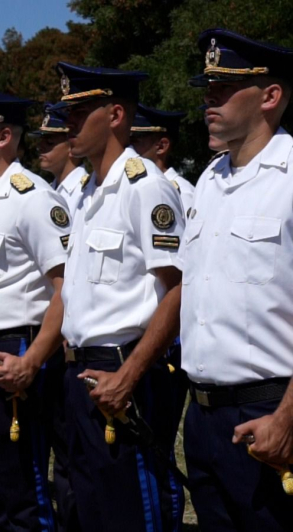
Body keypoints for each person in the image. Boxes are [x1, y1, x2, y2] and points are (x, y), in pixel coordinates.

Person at [56, 61, 185, 532]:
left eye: (79, 110)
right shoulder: (87, 191)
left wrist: (129, 376)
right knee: (92, 510)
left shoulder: (144, 185)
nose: (67, 121)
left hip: (124, 373)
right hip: (82, 373)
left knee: (131, 512)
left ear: (114, 115)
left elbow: (178, 288)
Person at [179, 28, 293, 531]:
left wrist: (287, 419)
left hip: (269, 411)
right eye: (208, 89)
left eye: (224, 89)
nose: (210, 100)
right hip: (203, 417)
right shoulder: (209, 179)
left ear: (270, 96)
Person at [130, 104, 195, 212]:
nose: (129, 148)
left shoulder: (183, 194)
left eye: (135, 142)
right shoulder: (132, 186)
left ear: (161, 146)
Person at [31, 103, 88, 210]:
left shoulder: (85, 192)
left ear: (72, 146)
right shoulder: (49, 187)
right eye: (41, 143)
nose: (40, 148)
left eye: (49, 142)